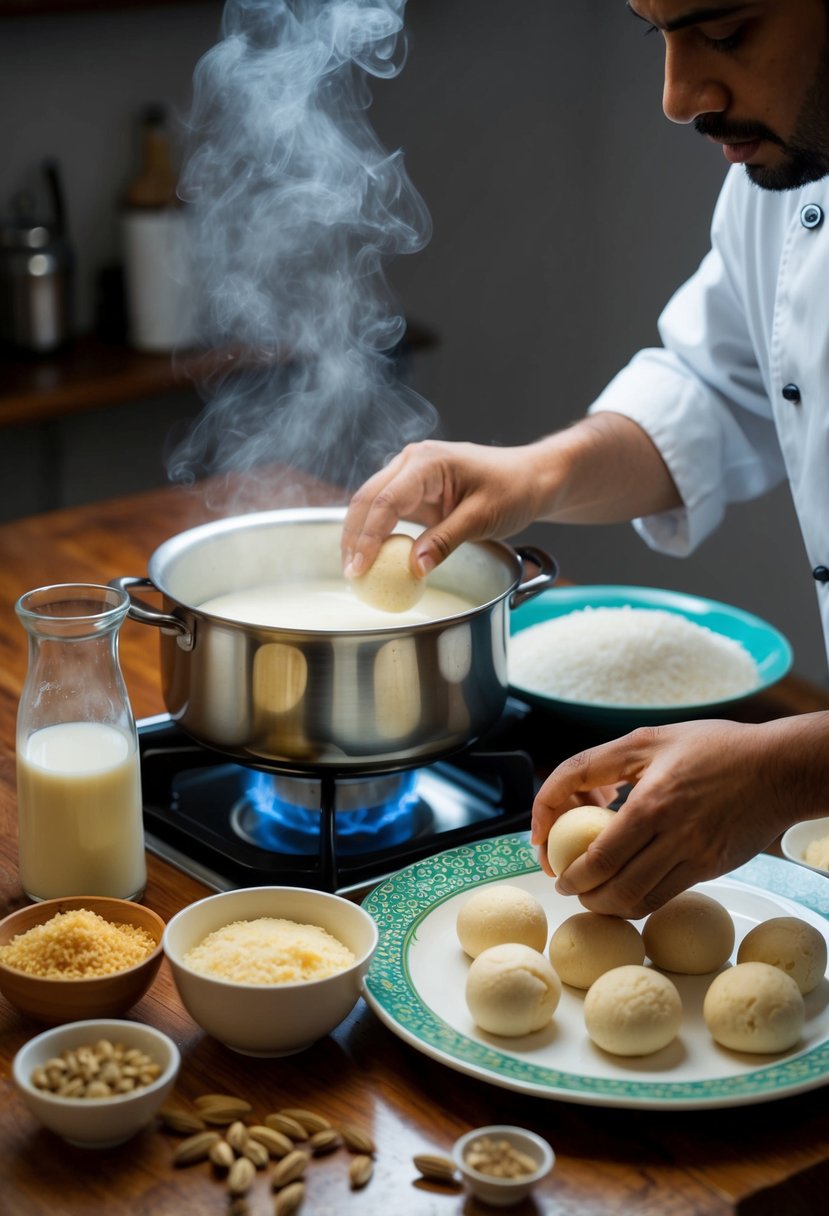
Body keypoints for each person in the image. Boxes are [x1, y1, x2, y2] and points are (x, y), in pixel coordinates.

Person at [341, 0, 829, 919]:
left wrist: (782, 766)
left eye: (725, 32)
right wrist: (534, 474)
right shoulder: (784, 180)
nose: (678, 97)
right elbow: (718, 390)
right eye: (658, 35)